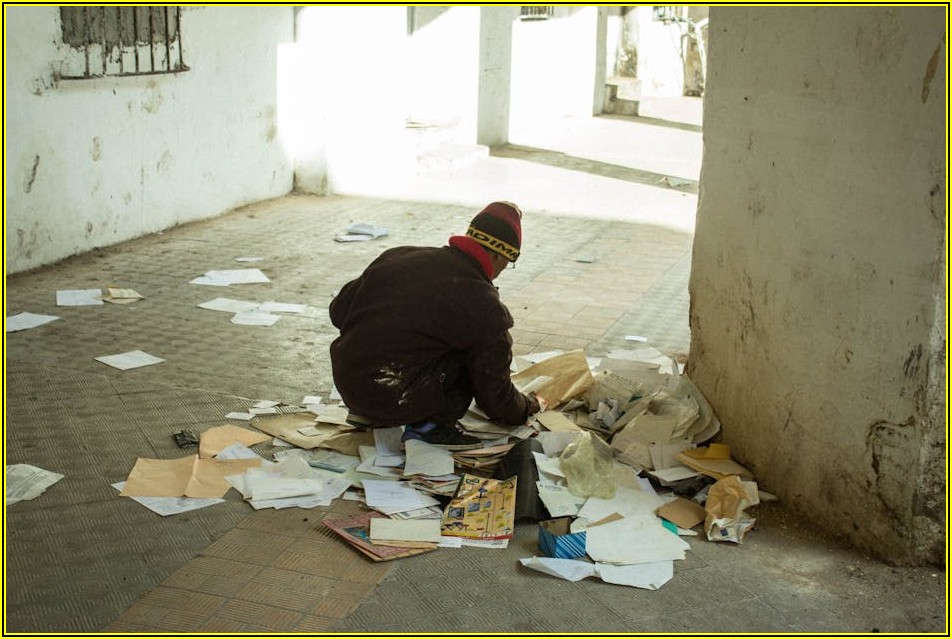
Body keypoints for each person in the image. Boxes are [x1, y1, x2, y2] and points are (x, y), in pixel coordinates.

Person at [328, 201, 541, 449]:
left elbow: (338, 311)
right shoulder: (483, 304)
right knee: (477, 356)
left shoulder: (399, 255)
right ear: (497, 255)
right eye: (508, 262)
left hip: (351, 385)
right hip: (396, 396)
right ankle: (428, 428)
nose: (504, 270)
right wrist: (526, 407)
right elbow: (495, 395)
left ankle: (373, 412)